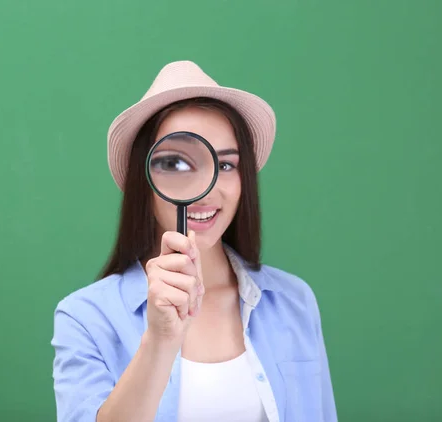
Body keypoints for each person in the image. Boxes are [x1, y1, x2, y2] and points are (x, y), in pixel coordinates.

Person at [51, 60, 337, 422]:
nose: (209, 189)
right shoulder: (85, 318)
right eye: (177, 164)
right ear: (146, 182)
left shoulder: (294, 302)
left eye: (227, 165)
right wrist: (160, 339)